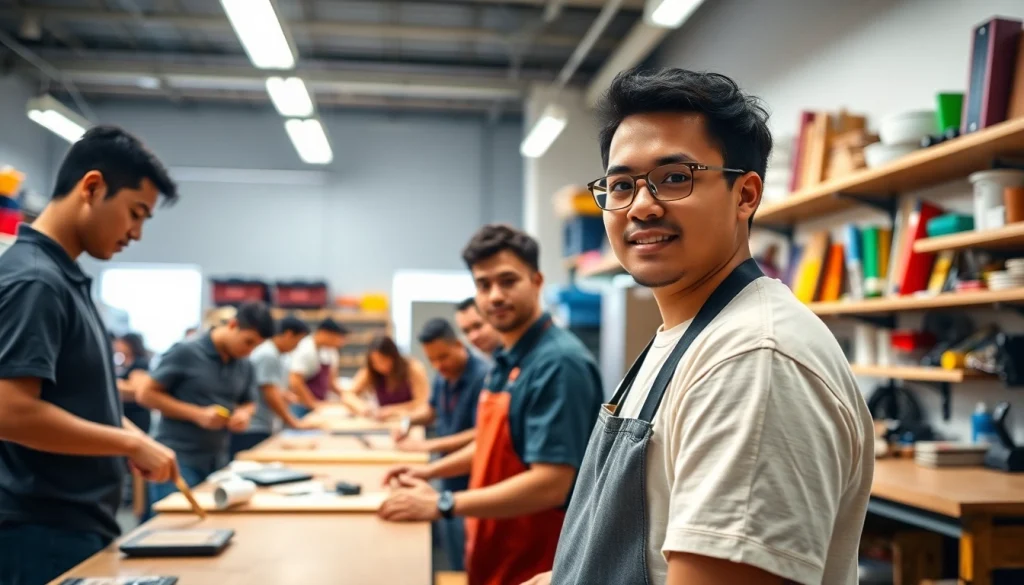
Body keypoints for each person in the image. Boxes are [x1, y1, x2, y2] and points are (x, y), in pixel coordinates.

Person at [524, 68, 874, 585]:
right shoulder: (683, 336)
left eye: (675, 177)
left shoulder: (753, 361)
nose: (641, 206)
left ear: (745, 195)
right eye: (621, 185)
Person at [0, 125, 179, 585]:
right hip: (38, 532)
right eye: (134, 213)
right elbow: (10, 412)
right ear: (92, 187)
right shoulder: (35, 281)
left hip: (72, 529)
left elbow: (73, 399)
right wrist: (128, 443)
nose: (136, 233)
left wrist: (136, 435)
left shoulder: (62, 280)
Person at [378, 225, 603, 585]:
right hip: (494, 547)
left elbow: (552, 484)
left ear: (537, 280)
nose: (495, 295)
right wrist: (428, 473)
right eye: (484, 285)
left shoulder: (558, 363)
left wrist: (443, 503)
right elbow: (493, 445)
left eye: (508, 280)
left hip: (535, 558)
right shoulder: (506, 358)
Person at [138, 301, 274, 507]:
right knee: (173, 527)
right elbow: (145, 394)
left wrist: (244, 414)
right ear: (232, 325)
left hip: (218, 460)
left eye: (256, 346)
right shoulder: (186, 351)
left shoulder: (244, 363)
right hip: (178, 458)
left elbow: (248, 401)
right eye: (248, 342)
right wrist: (197, 414)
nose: (250, 350)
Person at [393, 317, 489, 571]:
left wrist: (427, 447)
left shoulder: (483, 377)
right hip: (447, 472)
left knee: (472, 553)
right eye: (432, 360)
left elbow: (482, 434)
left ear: (459, 344)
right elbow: (432, 410)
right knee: (453, 547)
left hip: (472, 478)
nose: (438, 365)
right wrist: (407, 421)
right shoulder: (443, 375)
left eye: (443, 357)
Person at [230, 316, 313, 457]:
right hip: (253, 427)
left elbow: (270, 386)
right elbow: (270, 394)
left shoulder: (278, 355)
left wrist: (285, 395)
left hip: (262, 424)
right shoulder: (268, 354)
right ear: (288, 334)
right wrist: (294, 423)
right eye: (297, 342)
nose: (296, 347)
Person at [344, 335, 430, 419]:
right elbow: (348, 395)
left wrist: (392, 411)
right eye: (375, 363)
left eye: (383, 360)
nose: (379, 366)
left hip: (409, 420)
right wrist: (363, 408)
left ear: (393, 356)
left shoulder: (413, 369)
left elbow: (422, 403)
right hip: (384, 422)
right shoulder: (371, 371)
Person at [288, 318, 348, 418]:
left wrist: (346, 396)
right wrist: (312, 403)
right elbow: (295, 381)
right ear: (324, 333)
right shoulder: (305, 348)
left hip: (319, 404)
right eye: (337, 337)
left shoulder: (330, 351)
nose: (340, 342)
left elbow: (331, 382)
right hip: (300, 406)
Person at [114, 332, 154, 434]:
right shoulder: (123, 363)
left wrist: (113, 383)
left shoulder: (139, 363)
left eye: (121, 342)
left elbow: (136, 389)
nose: (118, 345)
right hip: (126, 414)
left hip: (136, 415)